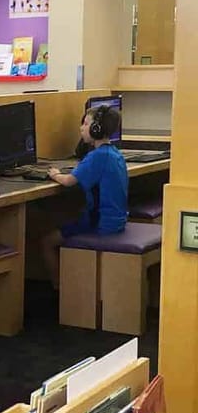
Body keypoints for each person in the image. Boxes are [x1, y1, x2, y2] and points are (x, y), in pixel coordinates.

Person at [41, 105, 128, 289]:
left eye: (86, 123)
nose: (81, 128)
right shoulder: (115, 154)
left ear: (96, 129)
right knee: (60, 217)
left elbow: (69, 181)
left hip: (100, 225)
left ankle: (59, 291)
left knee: (47, 241)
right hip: (117, 221)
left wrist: (55, 174)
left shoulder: (97, 156)